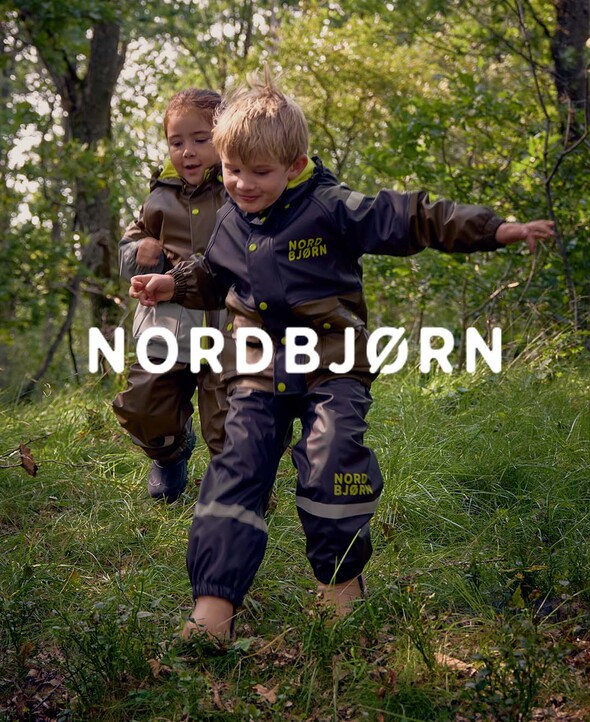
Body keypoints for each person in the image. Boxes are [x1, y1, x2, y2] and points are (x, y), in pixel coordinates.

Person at [129, 69, 555, 638]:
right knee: (236, 467)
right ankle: (213, 607)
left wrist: (494, 229)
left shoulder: (331, 206)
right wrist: (173, 283)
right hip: (256, 366)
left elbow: (410, 218)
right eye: (231, 170)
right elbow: (215, 273)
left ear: (295, 165)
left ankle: (340, 586)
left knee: (332, 459)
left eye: (259, 172)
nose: (243, 184)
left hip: (332, 364)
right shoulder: (230, 216)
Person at [113, 88, 229, 503]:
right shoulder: (159, 197)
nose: (188, 152)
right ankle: (170, 452)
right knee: (143, 406)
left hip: (228, 327)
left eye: (201, 139)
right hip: (169, 324)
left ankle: (237, 488)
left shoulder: (239, 188)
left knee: (231, 421)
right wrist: (138, 252)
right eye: (176, 142)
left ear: (225, 137)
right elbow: (127, 250)